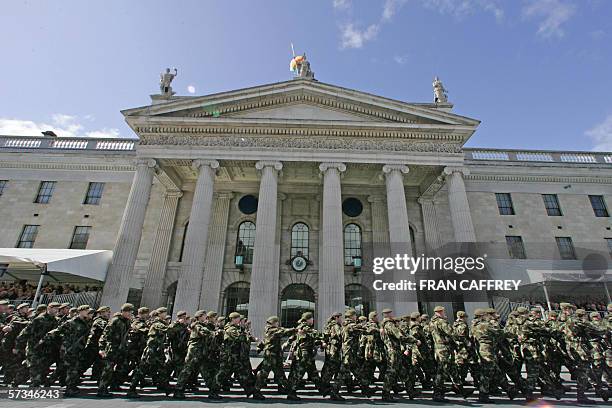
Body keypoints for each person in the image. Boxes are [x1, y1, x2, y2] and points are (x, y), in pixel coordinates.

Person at [97, 303, 134, 397]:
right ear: (123, 312)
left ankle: (115, 384)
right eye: (128, 311)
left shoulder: (127, 321)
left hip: (122, 349)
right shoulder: (115, 321)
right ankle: (102, 389)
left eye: (131, 311)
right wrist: (101, 348)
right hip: (112, 348)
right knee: (108, 369)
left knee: (122, 368)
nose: (130, 313)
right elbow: (105, 335)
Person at [254, 315, 295, 395]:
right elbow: (283, 331)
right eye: (277, 322)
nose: (278, 324)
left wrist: (260, 347)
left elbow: (265, 340)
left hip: (275, 354)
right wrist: (294, 330)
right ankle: (256, 391)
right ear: (274, 323)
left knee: (280, 373)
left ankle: (287, 390)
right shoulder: (271, 330)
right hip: (271, 355)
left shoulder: (268, 330)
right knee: (264, 374)